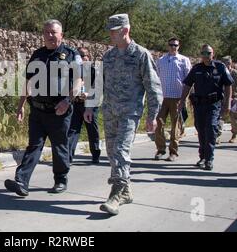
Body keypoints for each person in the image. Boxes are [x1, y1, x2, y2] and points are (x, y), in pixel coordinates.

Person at [84, 13, 163, 216]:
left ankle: (116, 193)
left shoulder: (141, 55)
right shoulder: (108, 56)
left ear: (125, 30)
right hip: (110, 112)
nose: (110, 35)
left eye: (114, 31)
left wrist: (152, 116)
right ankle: (127, 191)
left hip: (130, 113)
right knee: (111, 152)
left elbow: (153, 88)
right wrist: (90, 107)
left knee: (120, 150)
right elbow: (98, 84)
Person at [4, 19, 82, 197]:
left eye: (53, 32)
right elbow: (28, 81)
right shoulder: (37, 54)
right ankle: (21, 181)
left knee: (59, 146)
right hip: (38, 110)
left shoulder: (71, 54)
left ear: (61, 35)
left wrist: (68, 100)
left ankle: (61, 179)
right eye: (46, 32)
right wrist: (21, 105)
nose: (49, 35)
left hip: (59, 111)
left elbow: (79, 80)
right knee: (34, 145)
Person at [178, 45, 234, 171]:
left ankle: (209, 159)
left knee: (211, 129)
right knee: (201, 130)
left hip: (213, 105)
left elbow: (228, 85)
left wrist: (227, 104)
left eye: (208, 53)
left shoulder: (220, 67)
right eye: (203, 53)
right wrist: (182, 101)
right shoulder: (196, 68)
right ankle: (202, 156)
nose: (205, 55)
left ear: (213, 54)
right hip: (199, 105)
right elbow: (187, 84)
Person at [154, 37, 192, 162]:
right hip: (163, 97)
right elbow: (156, 77)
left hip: (178, 97)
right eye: (171, 45)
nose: (173, 47)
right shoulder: (161, 60)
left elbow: (189, 80)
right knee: (159, 122)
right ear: (167, 45)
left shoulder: (184, 60)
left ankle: (173, 152)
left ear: (179, 46)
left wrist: (185, 99)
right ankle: (160, 149)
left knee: (176, 125)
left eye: (175, 45)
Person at [68, 47, 101, 164]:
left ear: (88, 57)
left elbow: (98, 87)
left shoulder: (94, 70)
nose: (81, 58)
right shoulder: (72, 71)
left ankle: (96, 153)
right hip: (76, 104)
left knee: (92, 130)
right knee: (72, 130)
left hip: (90, 105)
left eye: (83, 56)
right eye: (79, 56)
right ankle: (68, 157)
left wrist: (88, 93)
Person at [220, 56, 237, 143]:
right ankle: (217, 136)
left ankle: (234, 134)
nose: (228, 64)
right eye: (226, 63)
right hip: (222, 98)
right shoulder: (221, 73)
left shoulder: (234, 73)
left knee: (233, 117)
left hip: (234, 98)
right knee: (220, 117)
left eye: (229, 62)